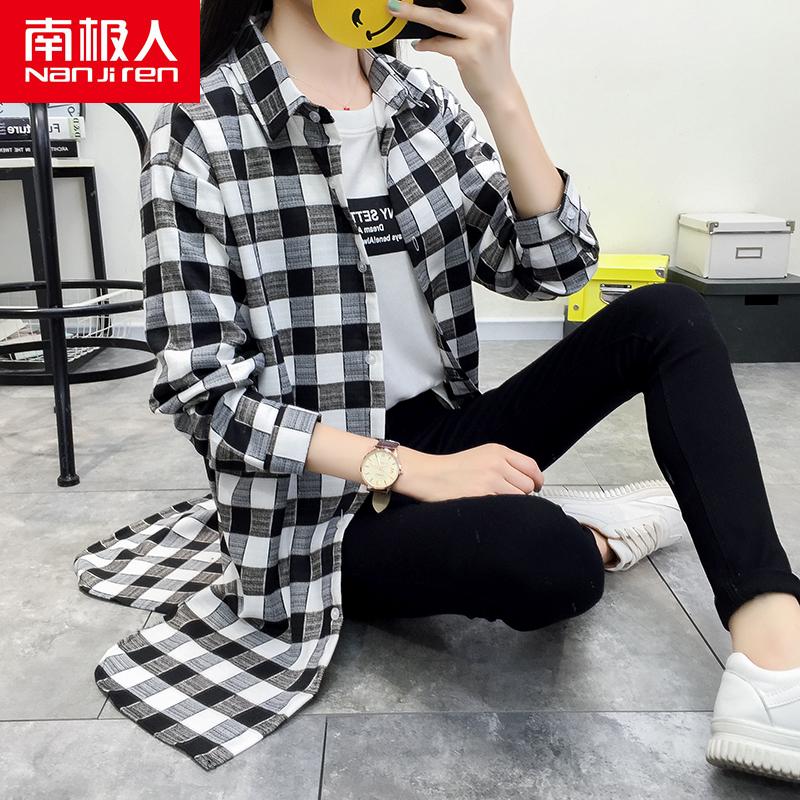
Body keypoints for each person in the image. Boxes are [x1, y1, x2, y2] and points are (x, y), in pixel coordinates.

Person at [85, 0, 800, 778]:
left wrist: (499, 88)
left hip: (444, 431)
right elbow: (206, 397)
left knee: (667, 316)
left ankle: (774, 659)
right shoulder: (199, 130)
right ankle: (586, 528)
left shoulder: (419, 104)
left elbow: (553, 266)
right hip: (320, 509)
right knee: (551, 560)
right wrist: (411, 470)